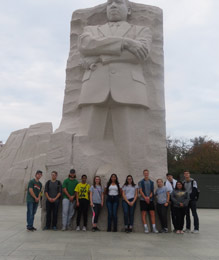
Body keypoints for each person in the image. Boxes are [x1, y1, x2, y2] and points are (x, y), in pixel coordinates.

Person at [77, 0, 154, 173]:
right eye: (109, 3)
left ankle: (133, 181)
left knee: (132, 142)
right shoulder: (91, 30)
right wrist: (126, 42)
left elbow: (139, 56)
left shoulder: (142, 30)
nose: (112, 6)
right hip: (93, 88)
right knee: (86, 142)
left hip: (130, 89)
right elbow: (85, 45)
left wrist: (101, 57)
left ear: (129, 10)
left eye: (118, 2)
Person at [138, 169, 158, 233]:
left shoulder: (151, 182)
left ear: (148, 174)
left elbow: (152, 191)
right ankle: (146, 228)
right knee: (144, 214)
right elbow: (140, 191)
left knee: (152, 214)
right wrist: (145, 198)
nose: (146, 174)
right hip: (143, 200)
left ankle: (154, 228)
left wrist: (149, 197)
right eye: (145, 173)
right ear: (143, 174)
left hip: (151, 200)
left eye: (147, 173)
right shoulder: (140, 182)